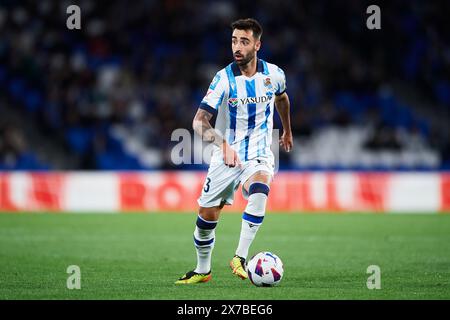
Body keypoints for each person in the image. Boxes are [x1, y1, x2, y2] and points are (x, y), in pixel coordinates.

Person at [175, 18, 293, 284]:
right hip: (226, 156)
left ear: (257, 45)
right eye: (233, 41)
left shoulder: (274, 74)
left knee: (261, 189)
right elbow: (198, 122)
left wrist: (287, 130)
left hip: (260, 151)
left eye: (244, 41)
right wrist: (223, 145)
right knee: (206, 217)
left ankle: (240, 256)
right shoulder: (223, 79)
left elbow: (282, 98)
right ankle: (203, 270)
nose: (237, 47)